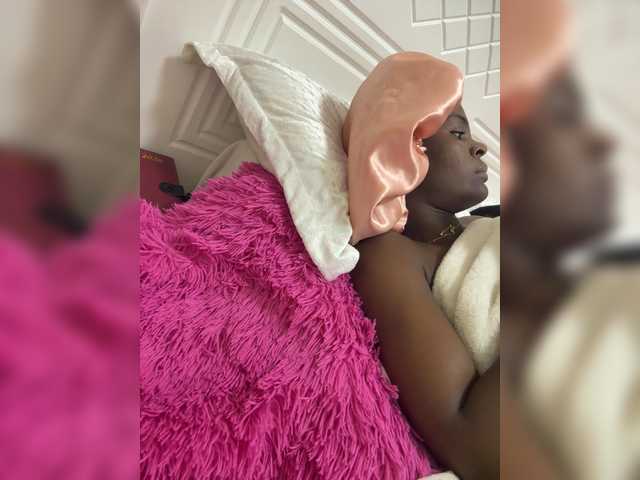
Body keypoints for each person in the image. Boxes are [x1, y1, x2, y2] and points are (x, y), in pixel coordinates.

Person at [345, 52, 498, 480]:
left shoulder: (495, 225)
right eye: (458, 132)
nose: (480, 146)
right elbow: (473, 443)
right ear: (403, 149)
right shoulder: (390, 256)